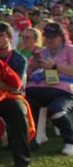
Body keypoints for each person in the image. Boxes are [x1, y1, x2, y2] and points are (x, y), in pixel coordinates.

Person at [25, 22, 73, 156]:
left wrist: (55, 67)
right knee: (24, 107)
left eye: (53, 37)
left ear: (61, 37)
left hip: (63, 91)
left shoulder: (70, 50)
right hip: (36, 89)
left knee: (57, 110)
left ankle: (70, 141)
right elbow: (27, 76)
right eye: (47, 36)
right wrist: (31, 67)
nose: (49, 39)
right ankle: (32, 139)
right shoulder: (40, 53)